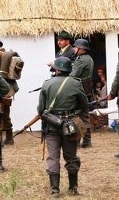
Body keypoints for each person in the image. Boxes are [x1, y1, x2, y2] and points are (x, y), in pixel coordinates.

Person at [38, 57, 88, 197]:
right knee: (71, 156)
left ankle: (55, 190)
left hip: (51, 125)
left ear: (57, 69)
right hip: (70, 125)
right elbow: (84, 104)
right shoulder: (76, 83)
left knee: (53, 158)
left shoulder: (47, 84)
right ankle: (73, 188)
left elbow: (40, 109)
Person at [70, 39, 94, 148]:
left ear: (81, 49)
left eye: (75, 47)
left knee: (74, 116)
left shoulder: (80, 60)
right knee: (85, 116)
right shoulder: (89, 59)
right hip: (87, 90)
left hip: (78, 90)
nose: (74, 49)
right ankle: (87, 140)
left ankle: (76, 140)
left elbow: (73, 75)